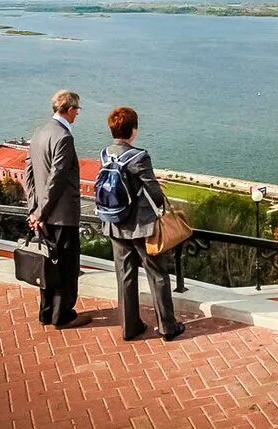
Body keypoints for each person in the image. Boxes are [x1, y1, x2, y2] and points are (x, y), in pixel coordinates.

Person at [101, 106, 185, 342]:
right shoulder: (139, 156)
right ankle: (167, 326)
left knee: (125, 275)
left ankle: (129, 327)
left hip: (115, 223)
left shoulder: (105, 154)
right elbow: (155, 195)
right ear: (133, 130)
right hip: (142, 226)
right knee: (157, 274)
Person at [24, 89, 90, 329]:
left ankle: (46, 311)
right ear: (70, 109)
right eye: (77, 110)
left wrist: (35, 209)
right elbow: (57, 178)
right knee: (66, 265)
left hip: (42, 214)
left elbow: (29, 173)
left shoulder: (39, 132)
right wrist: (42, 211)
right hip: (62, 215)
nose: (77, 115)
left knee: (48, 265)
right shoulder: (64, 137)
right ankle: (63, 315)